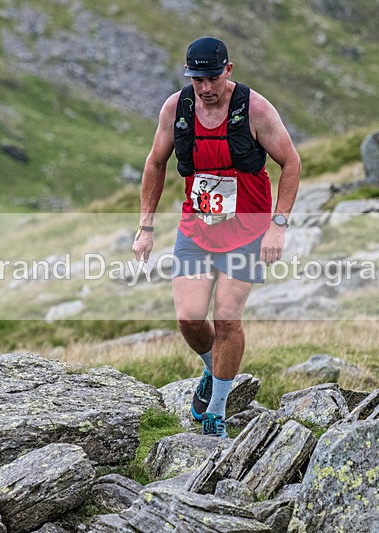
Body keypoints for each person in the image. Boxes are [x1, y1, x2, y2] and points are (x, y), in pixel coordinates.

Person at [133, 36, 301, 438]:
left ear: (227, 70)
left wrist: (279, 225)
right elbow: (156, 164)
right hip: (197, 227)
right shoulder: (176, 109)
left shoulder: (255, 109)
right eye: (196, 79)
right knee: (189, 318)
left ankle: (216, 414)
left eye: (211, 78)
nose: (205, 88)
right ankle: (213, 368)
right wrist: (145, 227)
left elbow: (291, 163)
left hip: (248, 228)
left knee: (227, 316)